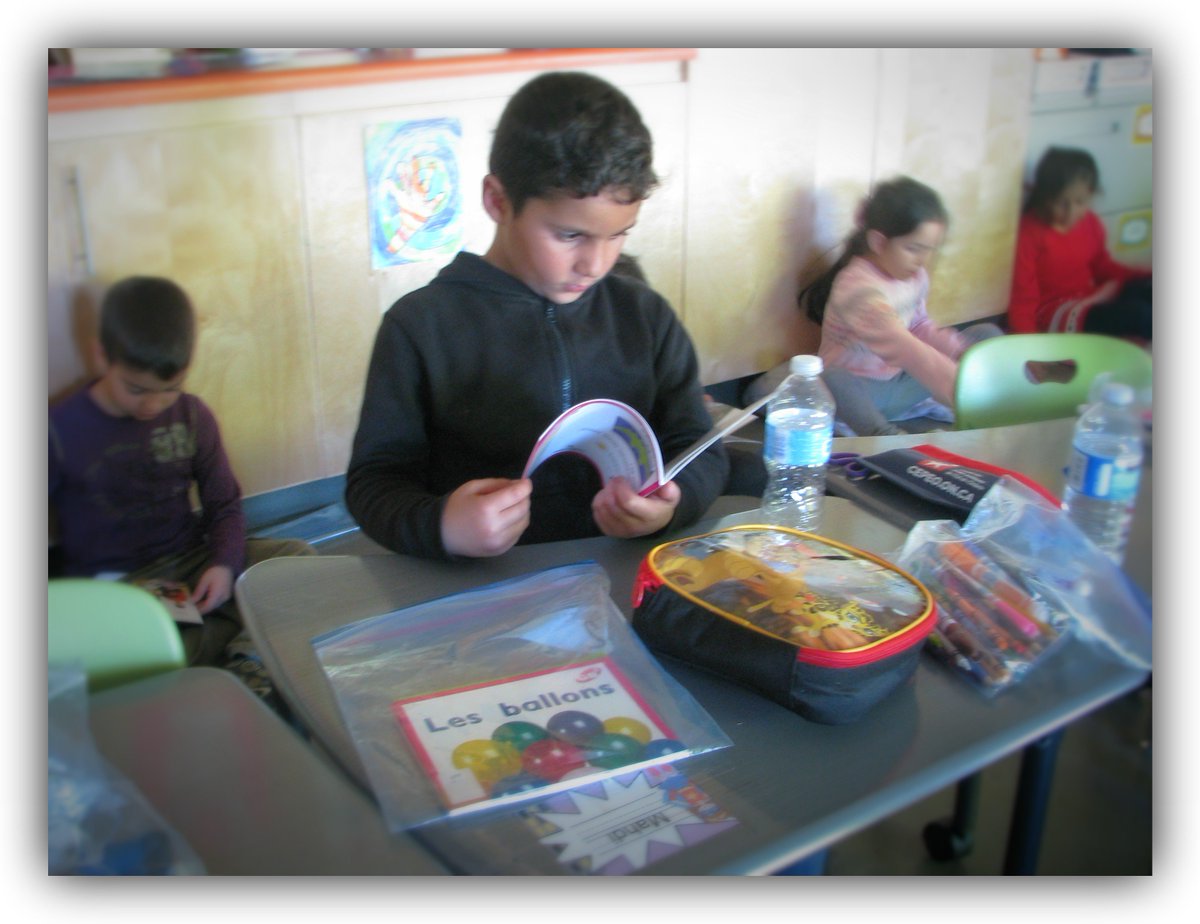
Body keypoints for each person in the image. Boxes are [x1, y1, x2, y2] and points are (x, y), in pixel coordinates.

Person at [346, 71, 728, 560]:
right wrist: (441, 526)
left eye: (618, 234)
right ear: (497, 201)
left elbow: (698, 444)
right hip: (481, 587)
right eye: (570, 235)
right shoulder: (420, 326)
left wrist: (671, 508)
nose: (595, 265)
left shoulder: (645, 315)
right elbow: (374, 482)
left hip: (618, 571)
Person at [49, 276, 314, 672]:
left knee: (299, 562)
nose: (154, 405)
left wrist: (223, 564)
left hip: (190, 562)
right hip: (119, 585)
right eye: (136, 389)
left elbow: (224, 504)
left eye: (170, 388)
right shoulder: (59, 430)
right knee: (136, 651)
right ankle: (244, 643)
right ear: (102, 357)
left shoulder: (191, 415)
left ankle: (245, 660)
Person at [750, 177, 1001, 436]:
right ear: (879, 242)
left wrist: (961, 354)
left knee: (984, 337)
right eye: (913, 249)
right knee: (833, 377)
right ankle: (881, 434)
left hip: (898, 382)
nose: (922, 260)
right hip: (861, 393)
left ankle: (998, 395)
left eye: (929, 250)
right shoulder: (859, 289)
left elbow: (919, 326)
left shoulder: (914, 276)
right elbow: (903, 346)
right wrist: (961, 387)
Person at [1007, 146, 1151, 340]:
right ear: (1045, 198)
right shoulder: (1028, 233)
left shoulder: (1090, 222)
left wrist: (1141, 277)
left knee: (1146, 291)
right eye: (1061, 203)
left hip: (1088, 297)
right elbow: (1023, 297)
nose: (1071, 212)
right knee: (1138, 314)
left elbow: (1102, 266)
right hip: (1056, 311)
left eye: (1080, 202)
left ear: (1091, 195)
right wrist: (1027, 343)